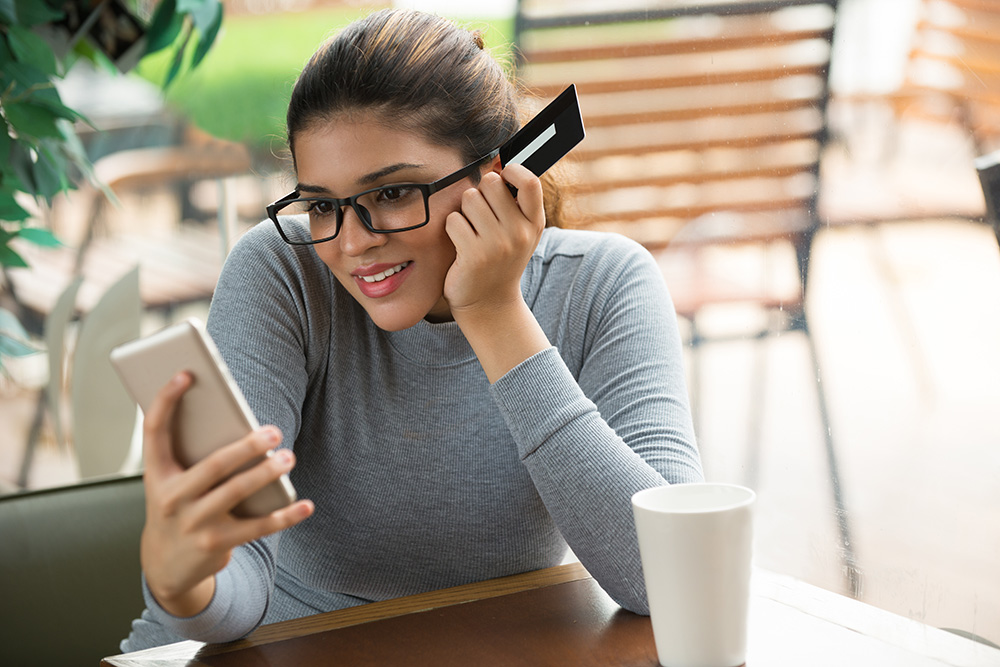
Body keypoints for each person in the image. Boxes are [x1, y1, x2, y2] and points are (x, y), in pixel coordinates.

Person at [121, 8, 702, 652]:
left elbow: (673, 577)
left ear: (500, 180)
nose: (352, 242)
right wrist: (183, 585)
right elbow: (237, 599)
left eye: (394, 194)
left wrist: (493, 312)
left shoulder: (604, 284)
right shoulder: (283, 274)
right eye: (320, 205)